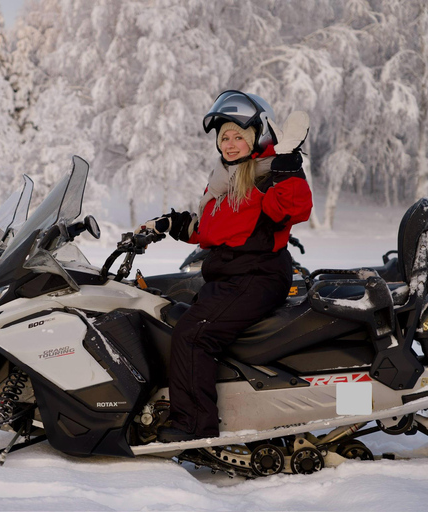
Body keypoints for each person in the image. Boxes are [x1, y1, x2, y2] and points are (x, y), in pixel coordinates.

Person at [138, 90, 313, 442]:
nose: (231, 144)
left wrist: (288, 167)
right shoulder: (226, 177)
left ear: (254, 137)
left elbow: (293, 210)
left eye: (238, 136)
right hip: (230, 275)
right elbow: (212, 229)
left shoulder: (267, 173)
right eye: (225, 137)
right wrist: (170, 225)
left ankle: (193, 428)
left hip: (256, 277)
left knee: (193, 335)